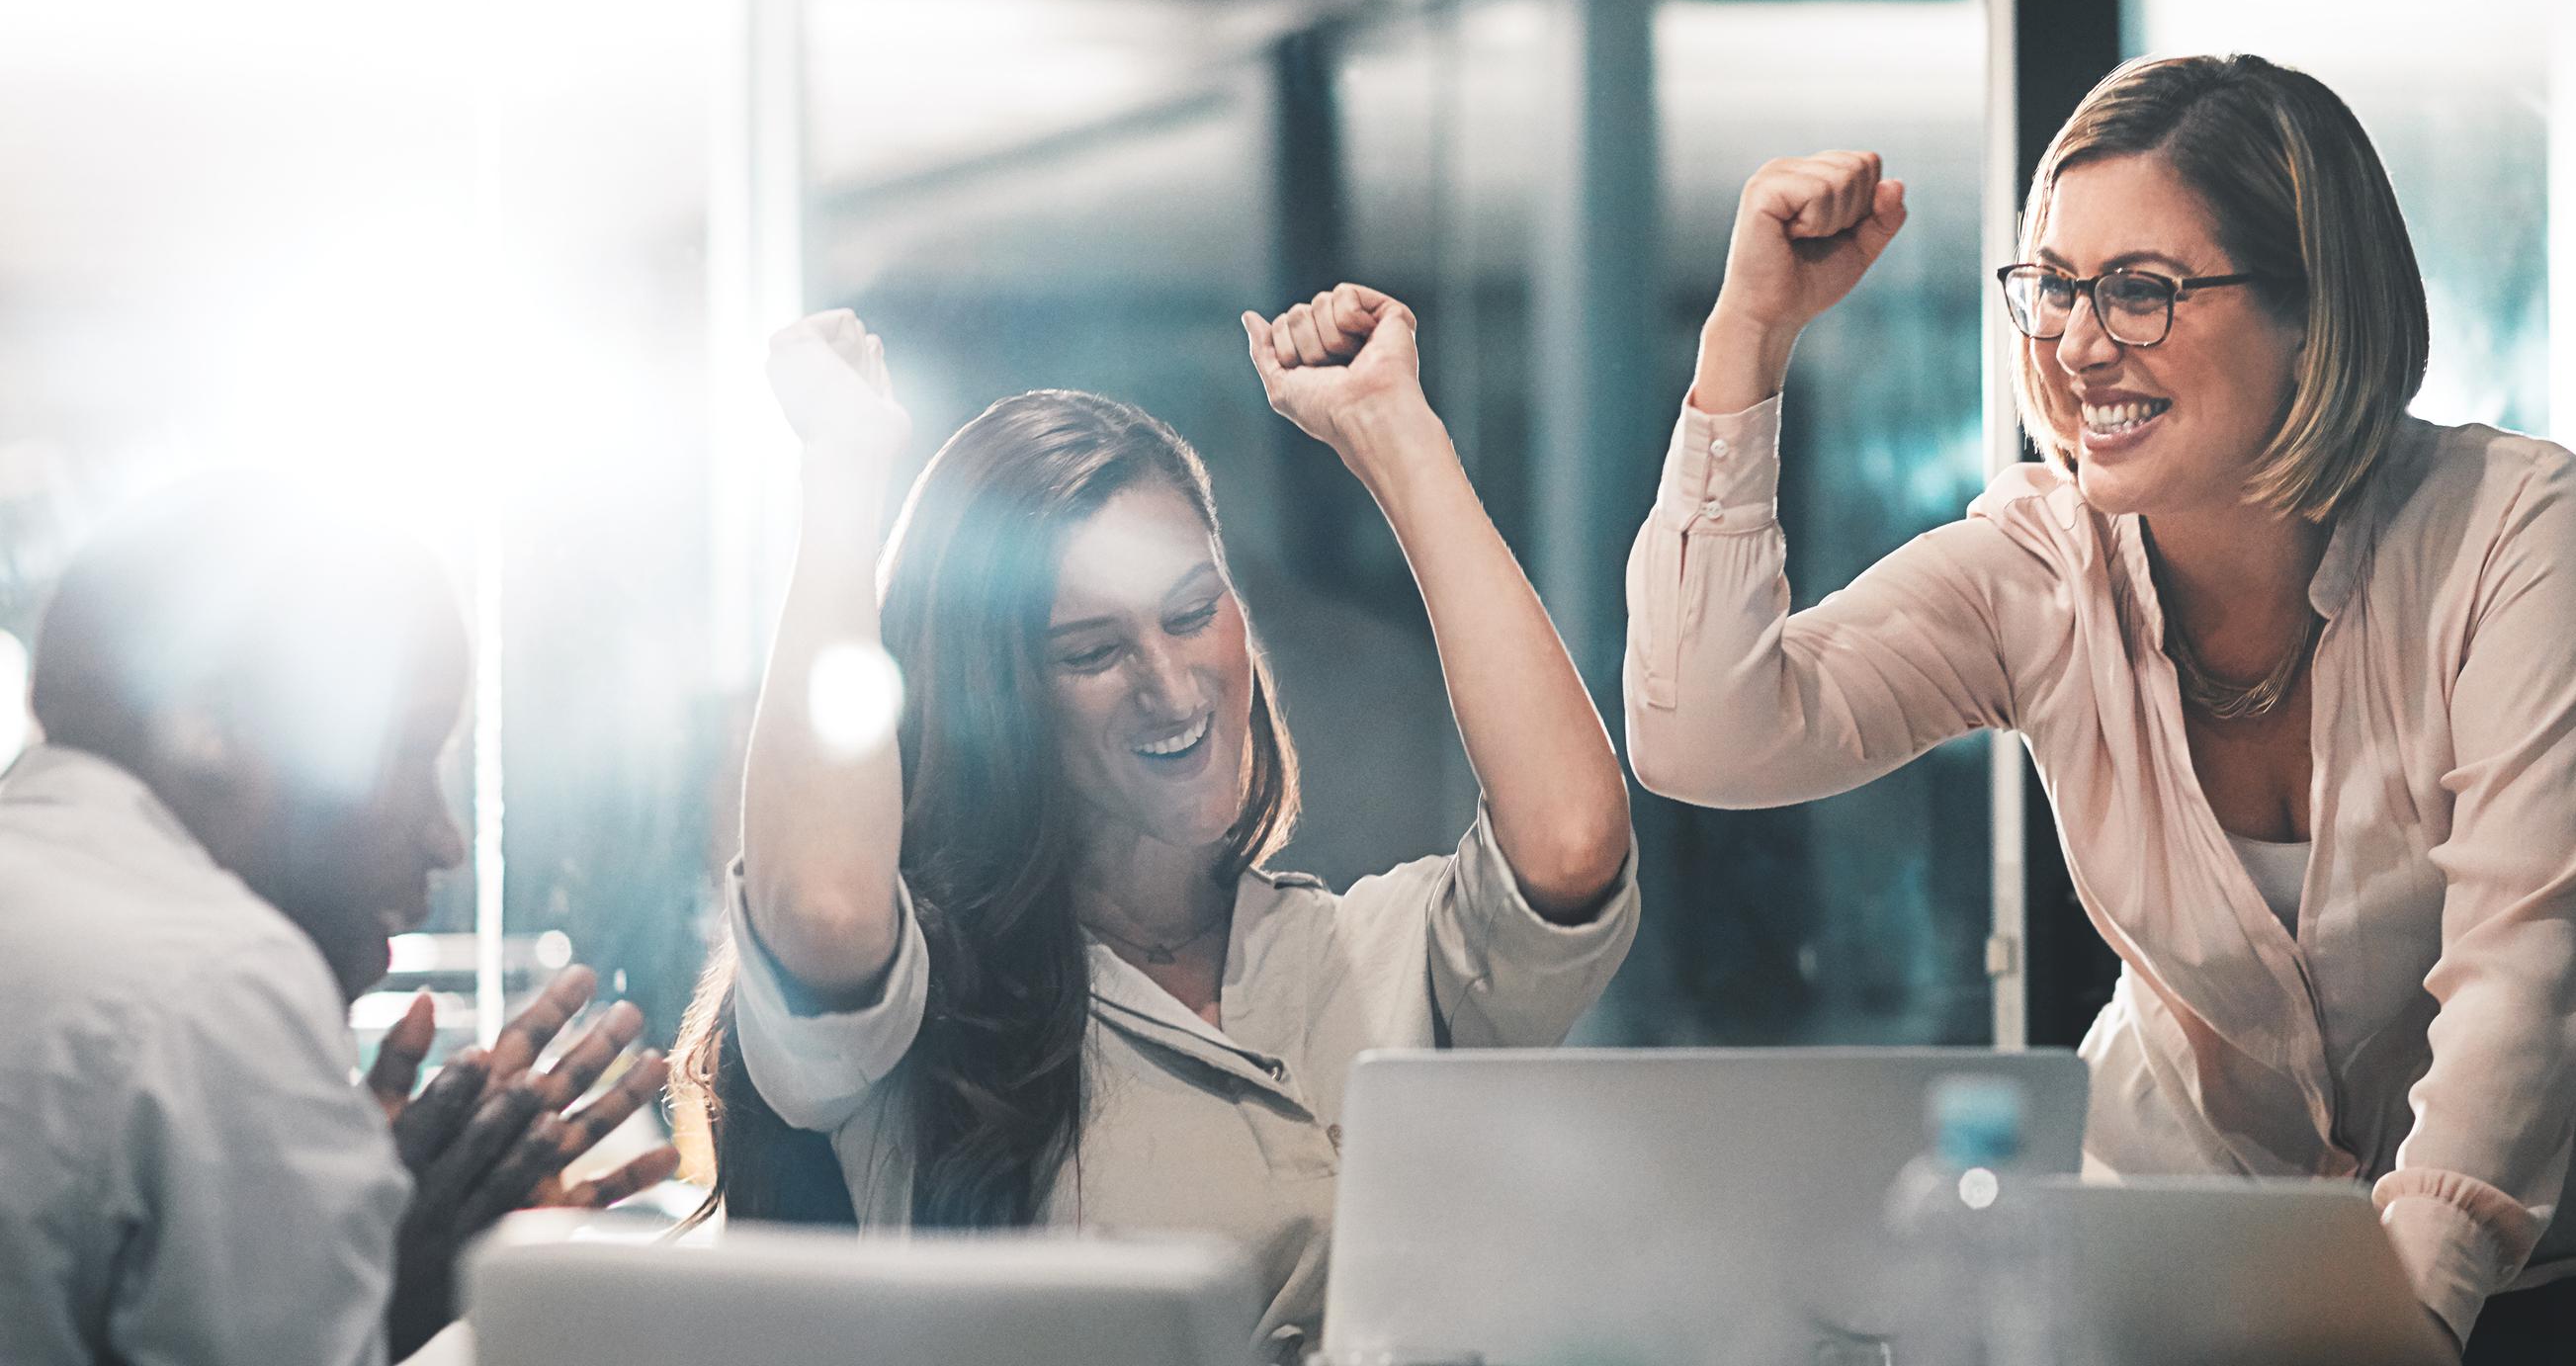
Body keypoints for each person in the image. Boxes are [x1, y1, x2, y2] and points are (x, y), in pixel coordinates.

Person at [1625, 53, 2576, 1361]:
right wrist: (1744, 340)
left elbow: (2521, 975)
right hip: (2203, 1242)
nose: (2079, 343)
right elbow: (1702, 735)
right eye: (2053, 290)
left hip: (2557, 1265)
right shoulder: (2032, 570)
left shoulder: (2511, 527)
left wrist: (2397, 1322)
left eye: (2139, 292)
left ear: (2311, 311)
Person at [669, 296, 1636, 1360]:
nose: (1172, 688)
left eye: (1191, 612)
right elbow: (822, 899)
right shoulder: (924, 1007)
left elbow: (1572, 842)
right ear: (995, 698)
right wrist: (844, 478)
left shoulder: (1359, 956)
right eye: (1090, 651)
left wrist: (1393, 431)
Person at [0, 484, 673, 1365]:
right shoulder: (224, 984)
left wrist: (320, 1231)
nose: (445, 837)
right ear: (212, 723)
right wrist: (395, 1284)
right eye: (407, 749)